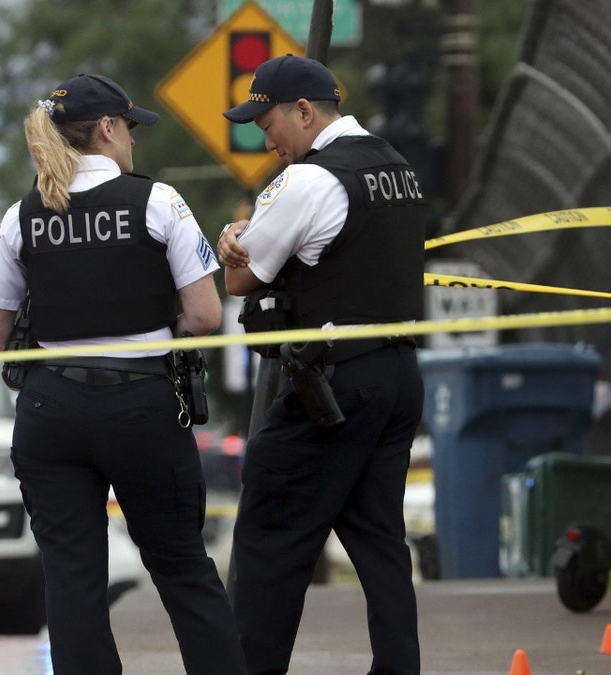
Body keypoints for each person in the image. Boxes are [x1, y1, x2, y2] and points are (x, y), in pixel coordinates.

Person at [0, 73, 247, 675]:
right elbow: (205, 316)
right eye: (129, 128)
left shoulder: (23, 213)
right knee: (181, 568)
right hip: (142, 406)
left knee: (72, 580)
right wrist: (161, 328)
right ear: (105, 129)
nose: (133, 142)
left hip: (50, 412)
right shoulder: (157, 201)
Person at [216, 54, 426, 675]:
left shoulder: (309, 180)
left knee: (268, 534)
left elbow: (242, 277)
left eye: (268, 120)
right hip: (396, 376)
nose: (265, 137)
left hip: (331, 385)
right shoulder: (398, 168)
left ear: (304, 112)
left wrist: (233, 236)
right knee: (380, 539)